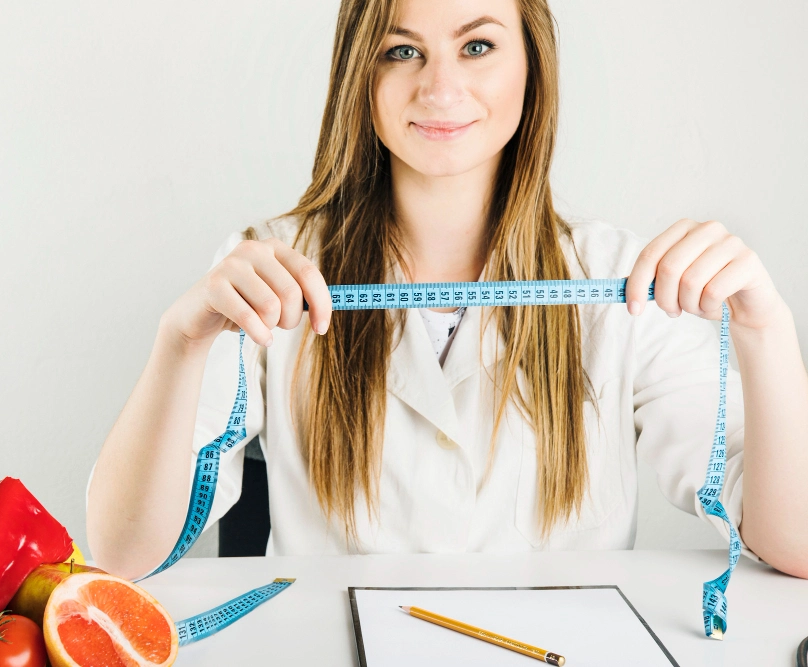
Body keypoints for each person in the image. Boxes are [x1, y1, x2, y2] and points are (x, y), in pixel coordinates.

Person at [86, 0, 808, 581]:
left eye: (478, 45)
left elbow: (795, 543)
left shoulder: (617, 279)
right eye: (402, 50)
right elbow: (122, 554)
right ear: (358, 75)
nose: (438, 87)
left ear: (533, 64)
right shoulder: (272, 269)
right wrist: (180, 342)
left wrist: (766, 331)